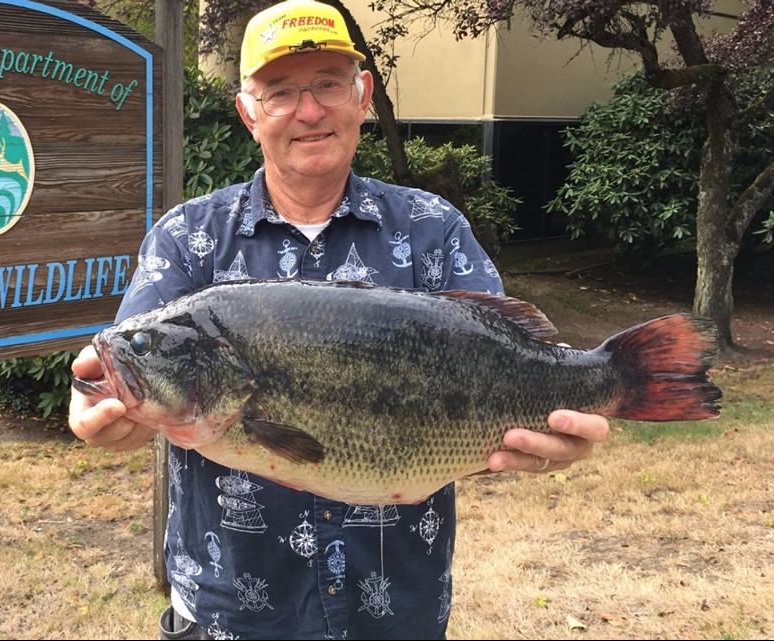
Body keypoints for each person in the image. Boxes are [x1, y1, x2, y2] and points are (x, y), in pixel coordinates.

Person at [68, 1, 610, 638]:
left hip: (393, 606)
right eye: (280, 91)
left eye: (328, 83)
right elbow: (136, 389)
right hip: (231, 610)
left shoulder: (432, 229)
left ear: (362, 94)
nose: (309, 110)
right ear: (248, 112)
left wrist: (566, 413)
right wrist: (116, 419)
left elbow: (509, 359)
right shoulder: (188, 239)